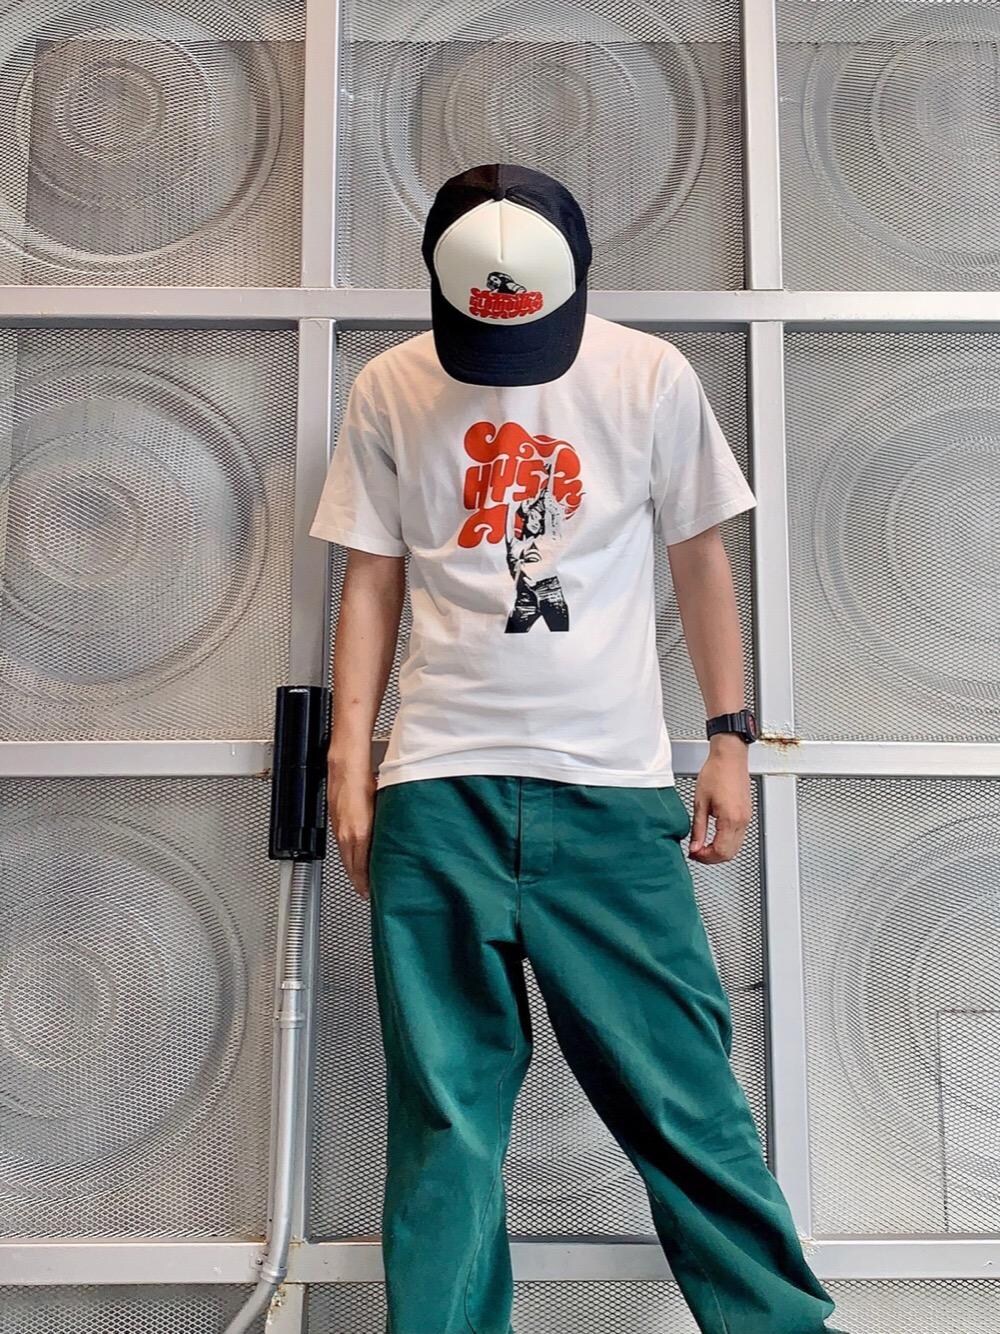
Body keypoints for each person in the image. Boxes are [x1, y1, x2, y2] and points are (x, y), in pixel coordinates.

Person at [309, 163, 848, 1334]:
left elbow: (700, 560)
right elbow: (373, 578)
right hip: (439, 791)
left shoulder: (647, 374)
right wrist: (350, 754)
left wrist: (728, 738)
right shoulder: (391, 384)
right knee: (445, 1118)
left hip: (607, 792)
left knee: (684, 1097)